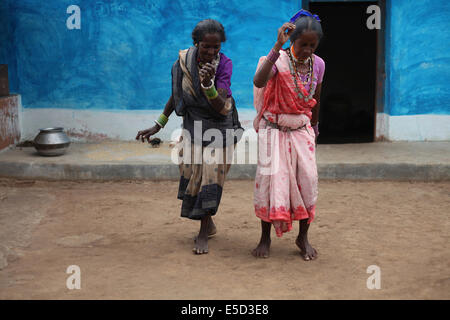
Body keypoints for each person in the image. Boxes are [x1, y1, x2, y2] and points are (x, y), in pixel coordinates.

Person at [136, 19, 242, 255]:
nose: (211, 52)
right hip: (193, 127)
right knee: (192, 173)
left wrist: (208, 85)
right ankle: (209, 223)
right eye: (206, 47)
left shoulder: (224, 65)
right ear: (196, 43)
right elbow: (176, 95)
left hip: (220, 128)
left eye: (216, 47)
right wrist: (158, 125)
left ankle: (203, 233)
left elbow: (220, 104)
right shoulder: (184, 62)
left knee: (209, 178)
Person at [251, 10, 325, 260]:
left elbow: (316, 98)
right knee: (272, 184)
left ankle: (303, 238)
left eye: (312, 45)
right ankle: (265, 238)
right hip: (274, 131)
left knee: (308, 181)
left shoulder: (319, 64)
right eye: (302, 44)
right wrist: (276, 47)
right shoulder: (278, 60)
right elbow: (259, 81)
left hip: (302, 132)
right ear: (292, 40)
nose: (307, 49)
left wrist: (314, 129)